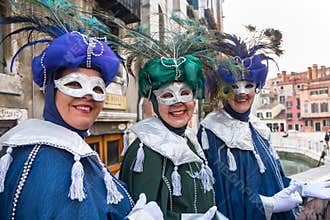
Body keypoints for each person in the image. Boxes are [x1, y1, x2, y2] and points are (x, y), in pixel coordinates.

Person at [0, 2, 162, 219]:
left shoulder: (73, 151)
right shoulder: (50, 163)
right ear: (51, 90)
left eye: (97, 88)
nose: (87, 95)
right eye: (74, 84)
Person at [198, 31, 330, 220]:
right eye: (234, 86)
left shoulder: (258, 129)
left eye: (248, 86)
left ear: (257, 87)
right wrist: (270, 205)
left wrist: (302, 188)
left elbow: (275, 179)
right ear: (224, 91)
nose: (242, 93)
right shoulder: (211, 131)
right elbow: (222, 197)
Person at [118, 16, 225, 220]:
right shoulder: (145, 151)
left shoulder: (189, 140)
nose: (178, 103)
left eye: (185, 94)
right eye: (167, 96)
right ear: (155, 102)